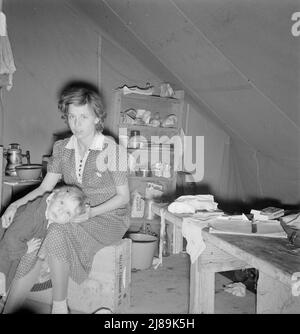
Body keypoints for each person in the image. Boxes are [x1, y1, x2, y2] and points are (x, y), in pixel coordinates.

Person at [1, 83, 130, 314]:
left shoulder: (113, 150)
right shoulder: (62, 148)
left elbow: (123, 197)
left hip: (108, 216)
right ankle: (9, 307)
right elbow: (45, 188)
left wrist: (91, 213)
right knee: (28, 233)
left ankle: (59, 307)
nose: (77, 124)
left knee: (56, 231)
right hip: (69, 210)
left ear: (97, 117)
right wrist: (14, 204)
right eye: (72, 116)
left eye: (83, 117)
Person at [0, 185, 87, 297]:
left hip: (13, 247)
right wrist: (26, 248)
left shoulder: (49, 212)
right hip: (5, 247)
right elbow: (10, 239)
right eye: (61, 203)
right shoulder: (32, 216)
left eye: (68, 213)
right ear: (53, 196)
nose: (61, 211)